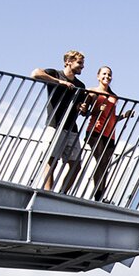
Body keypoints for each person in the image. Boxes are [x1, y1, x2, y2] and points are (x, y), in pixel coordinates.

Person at [30, 50, 89, 192]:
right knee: (51, 159)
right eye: (79, 63)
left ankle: (62, 193)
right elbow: (35, 73)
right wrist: (59, 82)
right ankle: (48, 191)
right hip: (55, 124)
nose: (82, 66)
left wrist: (82, 108)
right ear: (68, 62)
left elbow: (81, 109)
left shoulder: (80, 85)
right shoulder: (55, 73)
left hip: (71, 128)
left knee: (76, 164)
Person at [81, 65, 134, 202]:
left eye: (109, 75)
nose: (107, 76)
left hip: (110, 135)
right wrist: (96, 109)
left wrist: (124, 115)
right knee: (101, 161)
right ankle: (98, 195)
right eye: (104, 74)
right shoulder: (92, 91)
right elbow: (84, 112)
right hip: (95, 132)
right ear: (98, 76)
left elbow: (112, 118)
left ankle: (101, 195)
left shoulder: (113, 97)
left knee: (105, 165)